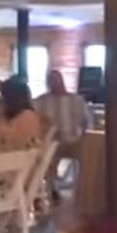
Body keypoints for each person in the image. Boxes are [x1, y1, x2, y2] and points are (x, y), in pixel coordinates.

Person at [34, 70, 92, 200]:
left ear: (62, 81)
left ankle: (85, 190)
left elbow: (86, 122)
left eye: (56, 80)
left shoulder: (76, 100)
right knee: (46, 158)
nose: (54, 83)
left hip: (74, 141)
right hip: (52, 142)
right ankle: (53, 189)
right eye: (51, 81)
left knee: (89, 156)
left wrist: (84, 138)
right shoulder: (41, 101)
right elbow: (33, 118)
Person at [0, 76, 42, 150]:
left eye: (3, 95)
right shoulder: (15, 115)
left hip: (19, 155)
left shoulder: (27, 116)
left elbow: (13, 142)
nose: (1, 98)